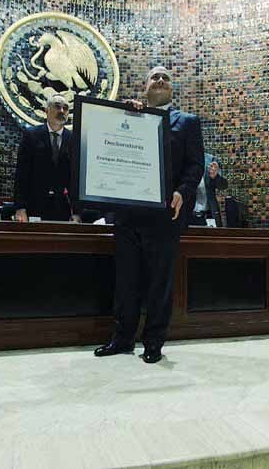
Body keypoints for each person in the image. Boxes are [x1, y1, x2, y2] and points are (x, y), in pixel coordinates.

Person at [94, 66, 204, 363]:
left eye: (165, 78)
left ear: (171, 89)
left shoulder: (188, 122)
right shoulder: (132, 115)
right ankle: (122, 339)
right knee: (126, 281)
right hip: (129, 214)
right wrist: (125, 114)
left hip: (165, 215)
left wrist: (183, 190)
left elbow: (195, 165)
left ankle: (153, 343)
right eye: (154, 77)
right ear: (145, 88)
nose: (159, 80)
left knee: (159, 282)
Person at [14, 94, 79, 222]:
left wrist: (76, 212)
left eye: (65, 108)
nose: (62, 111)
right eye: (57, 106)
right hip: (34, 206)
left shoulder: (74, 140)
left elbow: (75, 180)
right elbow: (21, 174)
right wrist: (20, 207)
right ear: (46, 110)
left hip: (63, 209)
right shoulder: (31, 135)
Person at [190, 152, 228, 226]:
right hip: (188, 214)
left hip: (208, 214)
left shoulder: (211, 160)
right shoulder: (182, 160)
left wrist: (216, 177)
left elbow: (223, 186)